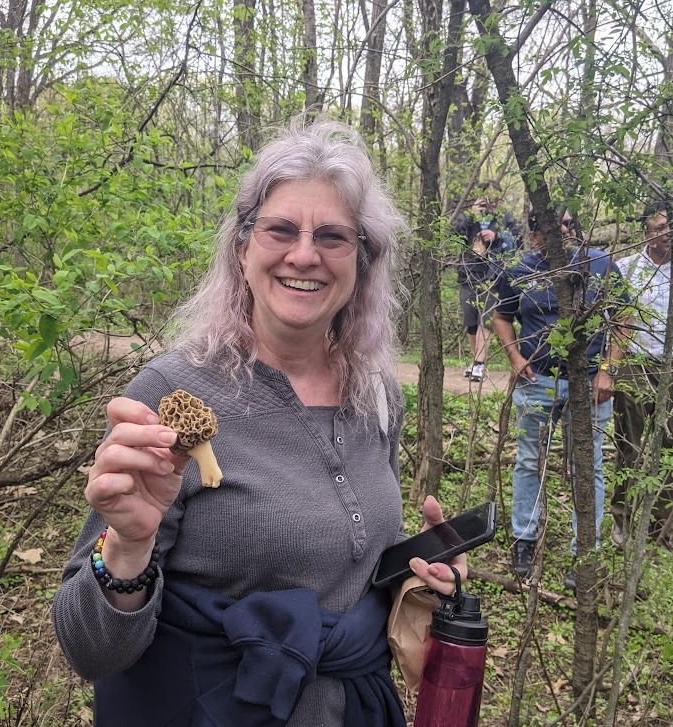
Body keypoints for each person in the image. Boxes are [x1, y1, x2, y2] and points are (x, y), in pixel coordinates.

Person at [52, 117, 467, 726]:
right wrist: (129, 549)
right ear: (243, 248)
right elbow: (89, 649)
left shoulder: (376, 394)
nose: (305, 254)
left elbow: (348, 568)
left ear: (363, 261)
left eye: (333, 236)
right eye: (280, 230)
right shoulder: (170, 393)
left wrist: (418, 575)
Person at [492, 208, 628, 592]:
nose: (564, 232)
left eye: (570, 224)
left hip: (588, 384)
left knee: (587, 467)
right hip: (538, 381)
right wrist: (515, 356)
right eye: (552, 226)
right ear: (535, 233)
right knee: (529, 460)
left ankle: (584, 551)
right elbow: (501, 316)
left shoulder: (600, 265)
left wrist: (608, 369)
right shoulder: (522, 268)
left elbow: (622, 319)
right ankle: (524, 539)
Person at [611, 201, 673, 550]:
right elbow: (614, 320)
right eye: (658, 228)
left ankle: (663, 524)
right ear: (645, 231)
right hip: (634, 363)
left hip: (670, 365)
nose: (665, 235)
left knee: (668, 446)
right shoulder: (626, 269)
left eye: (669, 228)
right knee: (630, 445)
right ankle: (622, 518)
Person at [452, 181, 521, 382]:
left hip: (493, 275)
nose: (489, 202)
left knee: (486, 319)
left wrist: (497, 235)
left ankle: (480, 364)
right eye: (486, 197)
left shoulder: (505, 218)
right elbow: (453, 236)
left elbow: (518, 240)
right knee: (471, 322)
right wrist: (472, 215)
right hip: (468, 274)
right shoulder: (467, 217)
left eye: (493, 198)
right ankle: (476, 361)